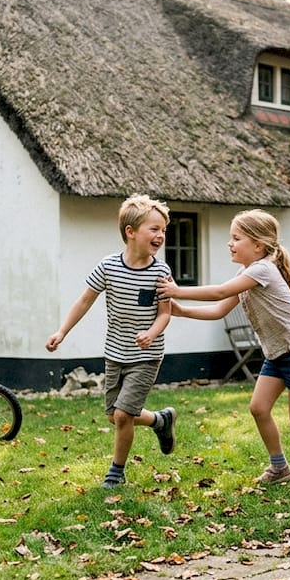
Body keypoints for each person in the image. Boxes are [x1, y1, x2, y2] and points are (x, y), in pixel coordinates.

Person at [156, 209, 290, 484]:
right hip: (277, 355)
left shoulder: (262, 270)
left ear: (258, 245)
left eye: (236, 238)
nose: (230, 243)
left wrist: (177, 290)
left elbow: (220, 291)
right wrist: (180, 310)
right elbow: (218, 310)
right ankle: (279, 468)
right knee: (259, 408)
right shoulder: (247, 272)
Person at [45, 194, 178, 489]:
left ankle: (116, 473)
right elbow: (84, 301)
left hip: (147, 355)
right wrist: (62, 331)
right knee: (112, 415)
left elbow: (165, 314)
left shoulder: (161, 272)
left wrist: (152, 333)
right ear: (130, 232)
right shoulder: (108, 266)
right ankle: (160, 420)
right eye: (154, 229)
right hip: (115, 353)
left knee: (122, 415)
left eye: (163, 230)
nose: (161, 235)